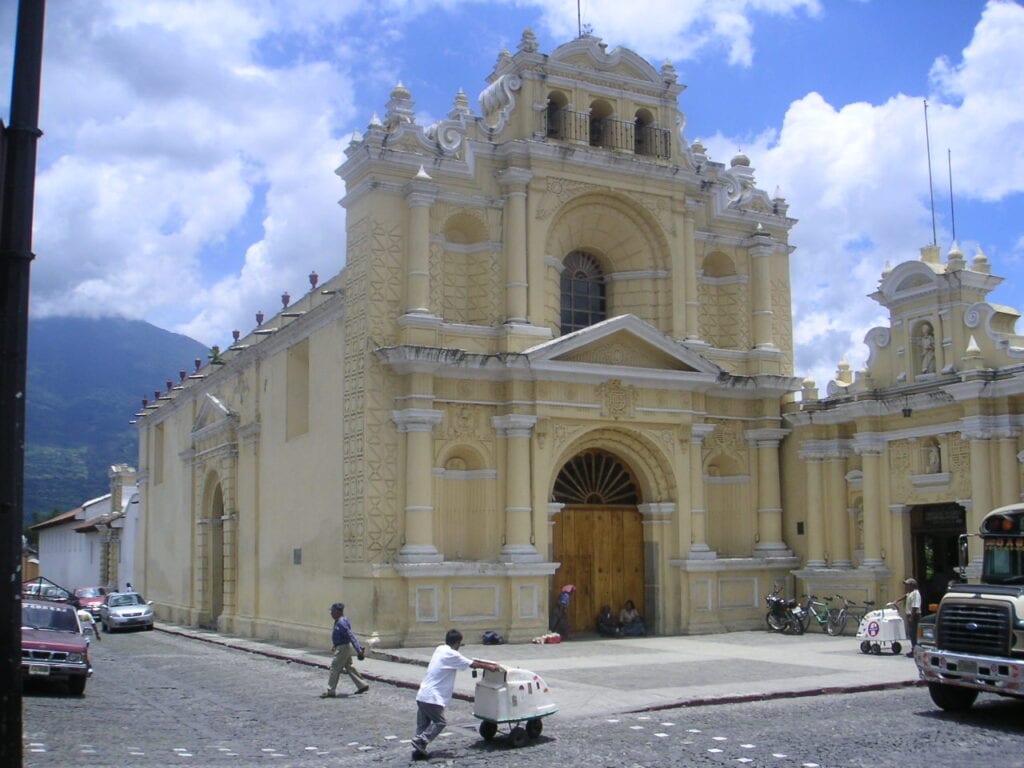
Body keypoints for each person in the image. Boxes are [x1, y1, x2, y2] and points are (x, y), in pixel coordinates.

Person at [412, 629, 502, 757]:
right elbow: (472, 664)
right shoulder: (452, 654)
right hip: (433, 697)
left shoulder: (440, 649)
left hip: (422, 694)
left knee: (423, 725)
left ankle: (418, 750)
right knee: (440, 722)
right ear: (457, 643)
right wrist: (491, 667)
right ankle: (420, 741)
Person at [320, 602, 369, 698]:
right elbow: (340, 635)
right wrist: (335, 645)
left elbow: (351, 636)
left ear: (338, 612)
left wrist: (358, 649)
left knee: (334, 668)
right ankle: (362, 685)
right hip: (342, 647)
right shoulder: (341, 620)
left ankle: (331, 690)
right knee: (349, 667)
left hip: (343, 649)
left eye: (332, 612)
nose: (331, 614)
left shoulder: (341, 622)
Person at [891, 578, 921, 656]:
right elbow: (905, 596)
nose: (906, 587)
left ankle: (915, 651)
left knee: (913, 634)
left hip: (914, 616)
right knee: (911, 633)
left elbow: (915, 606)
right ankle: (914, 649)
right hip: (911, 615)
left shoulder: (915, 594)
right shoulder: (910, 593)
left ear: (912, 585)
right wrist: (896, 601)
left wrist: (911, 617)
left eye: (908, 585)